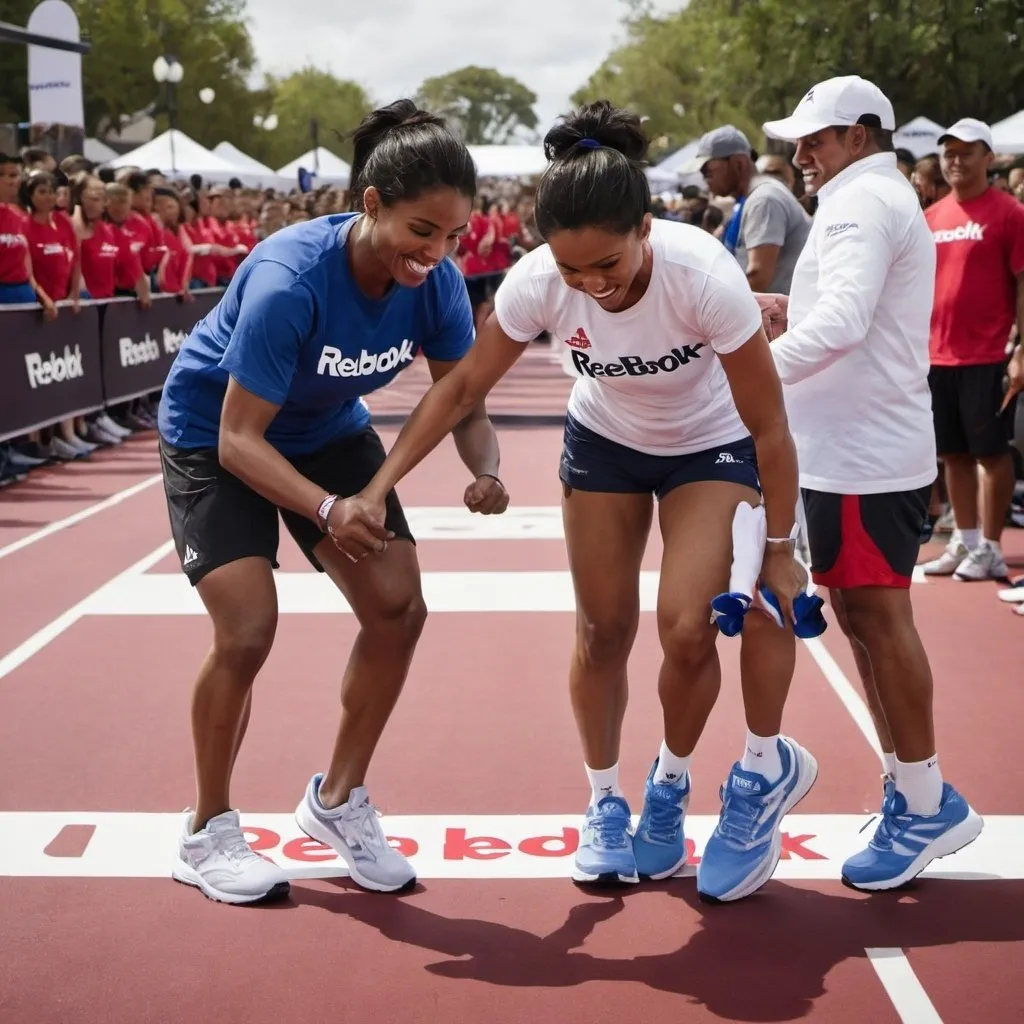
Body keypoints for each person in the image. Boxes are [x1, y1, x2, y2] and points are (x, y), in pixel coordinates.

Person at [330, 99, 817, 903]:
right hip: (605, 445)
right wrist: (377, 489)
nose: (592, 286)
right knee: (601, 631)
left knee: (689, 627)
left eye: (609, 268)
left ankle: (669, 787)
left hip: (710, 442)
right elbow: (459, 391)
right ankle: (603, 801)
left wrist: (778, 550)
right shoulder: (534, 284)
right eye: (571, 272)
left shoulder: (704, 276)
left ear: (645, 232)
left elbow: (770, 427)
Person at [157, 99, 509, 905]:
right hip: (216, 429)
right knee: (246, 633)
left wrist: (485, 467)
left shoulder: (440, 284)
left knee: (398, 609)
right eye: (423, 230)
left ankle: (338, 800)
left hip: (325, 430)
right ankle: (207, 830)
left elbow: (461, 396)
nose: (438, 252)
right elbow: (240, 442)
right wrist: (325, 510)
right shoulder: (291, 278)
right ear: (373, 204)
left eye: (453, 235)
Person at [760, 75, 984, 890]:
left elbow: (848, 321)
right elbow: (855, 310)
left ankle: (926, 801)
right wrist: (787, 309)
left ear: (860, 134)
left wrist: (750, 376)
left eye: (813, 139)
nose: (800, 153)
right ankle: (912, 787)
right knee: (860, 615)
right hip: (857, 448)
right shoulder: (874, 197)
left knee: (877, 620)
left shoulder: (860, 202)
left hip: (860, 452)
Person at [920, 118, 1024, 582]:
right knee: (953, 455)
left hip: (988, 355)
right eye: (950, 153)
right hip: (937, 355)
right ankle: (966, 538)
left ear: (989, 157)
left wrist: (1020, 348)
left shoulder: (1009, 213)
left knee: (991, 453)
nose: (956, 161)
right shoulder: (931, 217)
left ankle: (994, 547)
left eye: (967, 152)